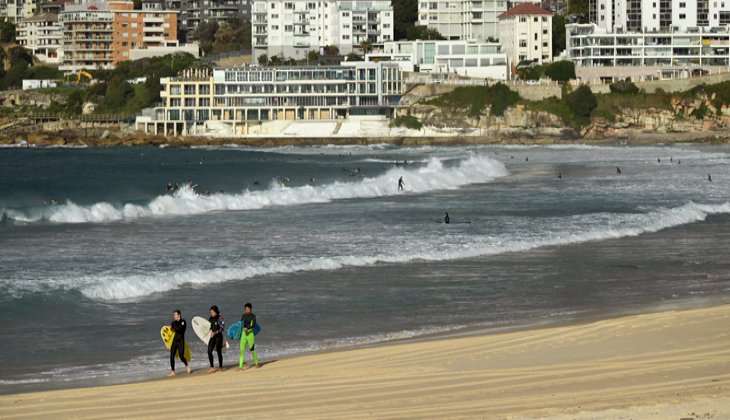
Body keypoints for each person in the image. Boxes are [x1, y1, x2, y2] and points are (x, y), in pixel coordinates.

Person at [169, 310, 192, 376]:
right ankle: (173, 371)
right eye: (174, 315)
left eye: (175, 315)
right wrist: (171, 328)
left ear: (179, 315)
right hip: (175, 340)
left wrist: (173, 327)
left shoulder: (183, 322)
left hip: (181, 340)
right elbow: (171, 329)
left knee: (181, 355)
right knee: (171, 355)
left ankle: (187, 365)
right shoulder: (173, 322)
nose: (174, 316)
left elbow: (180, 330)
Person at [239, 303, 259, 370]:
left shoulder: (253, 316)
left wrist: (247, 328)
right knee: (241, 351)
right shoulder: (243, 316)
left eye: (248, 309)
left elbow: (253, 325)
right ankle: (240, 366)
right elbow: (241, 324)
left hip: (250, 335)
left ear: (251, 309)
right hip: (243, 335)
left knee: (252, 350)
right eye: (246, 309)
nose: (247, 310)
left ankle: (256, 363)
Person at [207, 305, 225, 373]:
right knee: (209, 351)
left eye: (212, 312)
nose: (211, 313)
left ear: (216, 312)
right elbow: (209, 326)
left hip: (219, 337)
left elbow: (222, 328)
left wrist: (215, 332)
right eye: (210, 312)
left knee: (218, 352)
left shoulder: (220, 318)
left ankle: (220, 367)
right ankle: (212, 367)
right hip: (212, 337)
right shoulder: (210, 318)